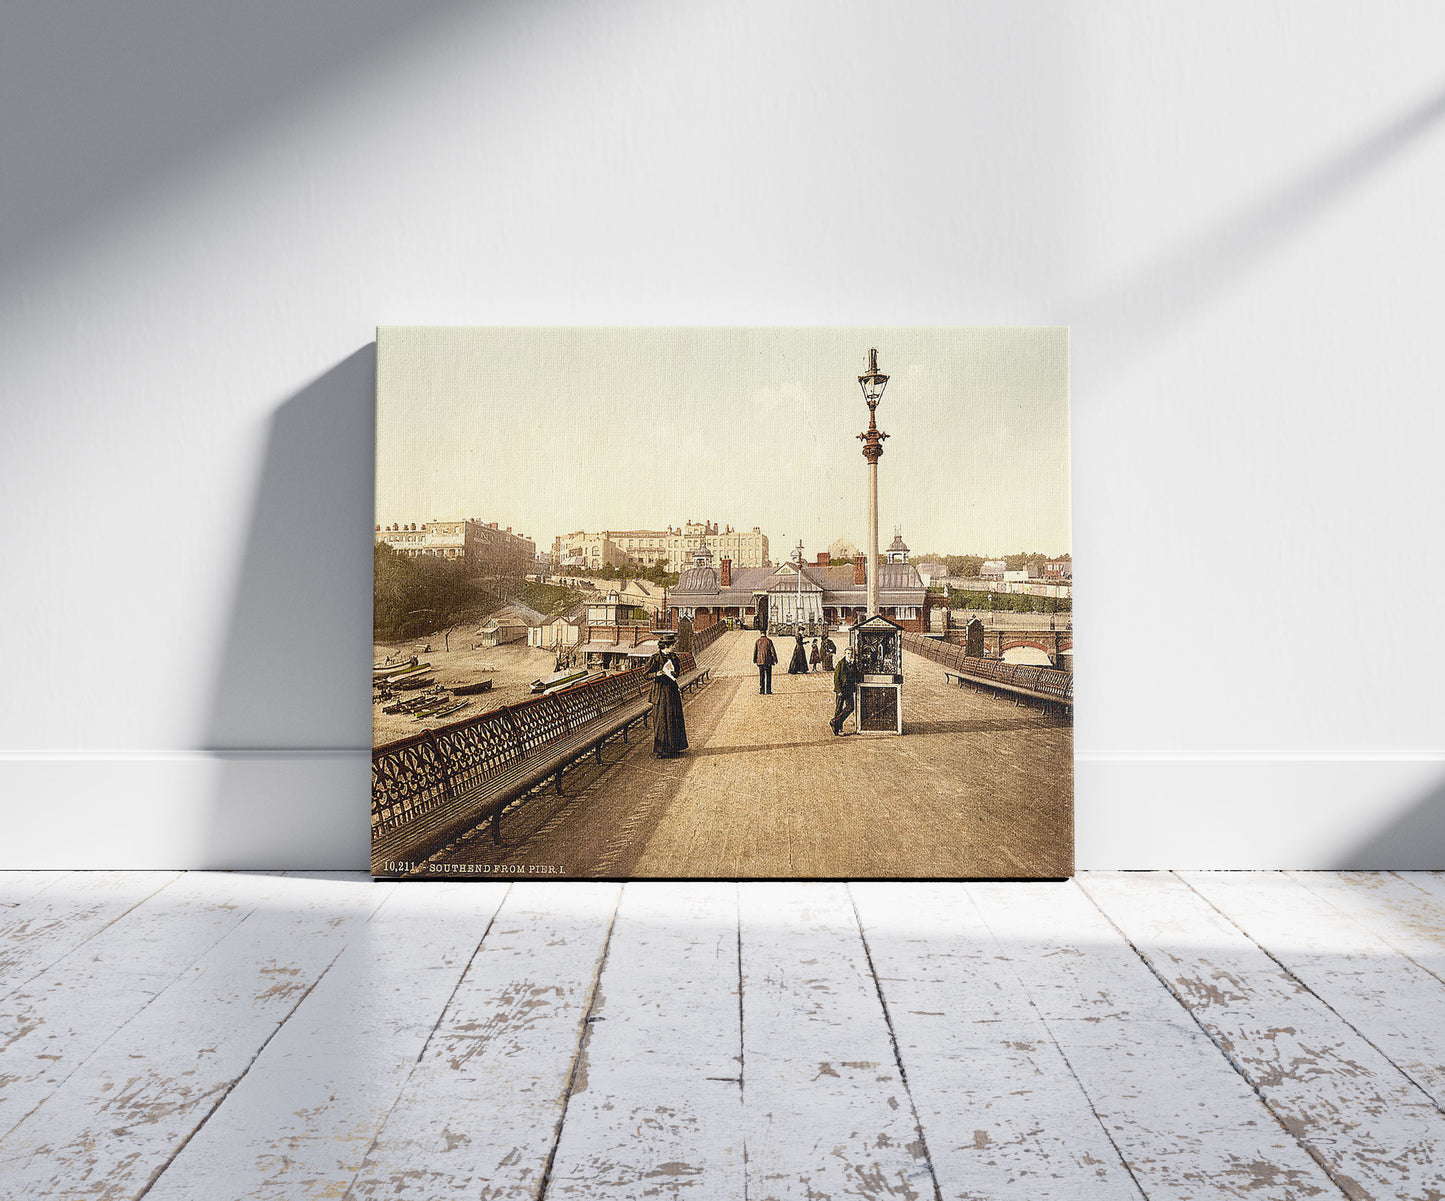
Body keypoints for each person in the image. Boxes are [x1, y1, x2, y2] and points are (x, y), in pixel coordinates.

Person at [650, 636, 688, 758]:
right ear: (667, 646)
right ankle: (661, 750)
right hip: (660, 692)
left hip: (672, 691)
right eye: (673, 645)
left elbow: (677, 672)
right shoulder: (655, 658)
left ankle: (674, 748)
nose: (674, 647)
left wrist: (672, 673)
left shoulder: (673, 657)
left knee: (674, 718)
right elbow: (646, 674)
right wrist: (656, 674)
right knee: (661, 720)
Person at [830, 646, 861, 736]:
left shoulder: (853, 663)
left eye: (851, 654)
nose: (850, 655)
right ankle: (838, 729)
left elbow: (857, 675)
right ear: (845, 654)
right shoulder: (841, 663)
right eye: (848, 653)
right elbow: (836, 678)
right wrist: (839, 690)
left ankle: (834, 721)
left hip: (849, 689)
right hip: (841, 690)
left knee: (850, 707)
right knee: (838, 709)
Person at [753, 628, 777, 694]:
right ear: (765, 633)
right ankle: (768, 690)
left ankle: (762, 690)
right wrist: (775, 659)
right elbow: (773, 651)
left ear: (760, 633)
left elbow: (755, 651)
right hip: (768, 661)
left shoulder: (757, 641)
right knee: (768, 676)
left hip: (760, 661)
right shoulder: (769, 641)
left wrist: (755, 660)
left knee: (761, 676)